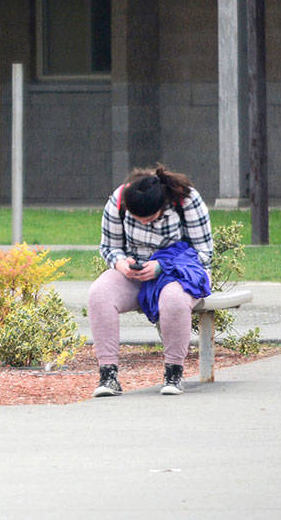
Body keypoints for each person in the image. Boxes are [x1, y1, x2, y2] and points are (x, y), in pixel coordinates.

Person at [87, 164, 213, 398]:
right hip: (135, 273)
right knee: (99, 293)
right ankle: (108, 375)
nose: (143, 222)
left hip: (180, 271)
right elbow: (109, 246)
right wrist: (120, 262)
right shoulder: (118, 200)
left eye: (150, 218)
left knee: (173, 299)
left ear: (162, 205)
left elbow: (204, 253)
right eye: (137, 219)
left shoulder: (186, 200)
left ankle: (174, 373)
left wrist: (162, 267)